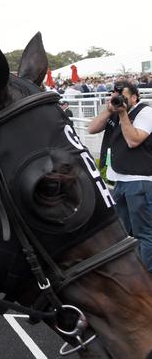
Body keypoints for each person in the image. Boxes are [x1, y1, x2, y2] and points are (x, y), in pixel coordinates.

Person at [88, 81, 152, 272]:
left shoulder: (145, 113)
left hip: (139, 181)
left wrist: (123, 114)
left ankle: (146, 276)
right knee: (121, 233)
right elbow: (92, 128)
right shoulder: (115, 111)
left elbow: (133, 140)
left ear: (134, 97)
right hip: (121, 181)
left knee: (144, 233)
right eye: (116, 96)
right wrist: (109, 110)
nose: (119, 100)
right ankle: (130, 272)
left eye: (123, 96)